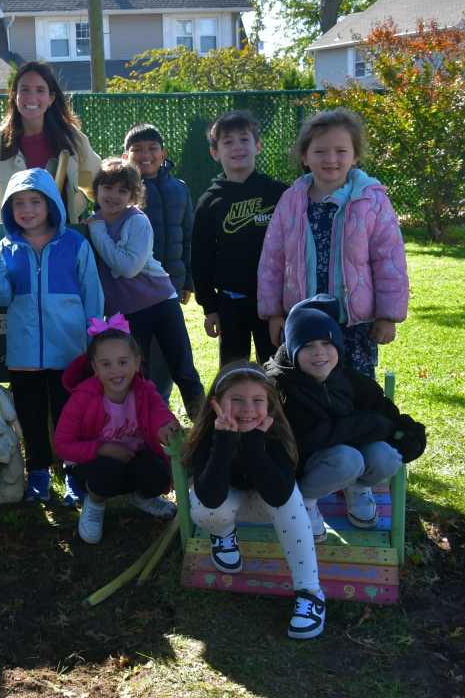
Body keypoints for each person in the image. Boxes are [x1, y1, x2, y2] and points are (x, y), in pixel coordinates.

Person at [0, 167, 104, 502]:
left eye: (35, 201)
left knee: (69, 415)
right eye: (19, 203)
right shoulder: (5, 248)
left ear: (51, 205)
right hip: (24, 354)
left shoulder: (75, 244)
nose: (27, 209)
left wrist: (95, 342)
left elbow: (92, 294)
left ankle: (74, 474)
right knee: (30, 416)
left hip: (70, 351)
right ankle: (38, 473)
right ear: (9, 208)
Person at [258, 108, 409, 377]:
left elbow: (389, 260)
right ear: (305, 156)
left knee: (356, 390)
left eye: (341, 151)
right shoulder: (291, 201)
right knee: (306, 389)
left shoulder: (371, 200)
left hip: (354, 325)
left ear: (355, 155)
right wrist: (274, 314)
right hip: (304, 323)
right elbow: (272, 260)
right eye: (320, 151)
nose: (331, 159)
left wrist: (388, 316)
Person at [182, 362, 325, 640]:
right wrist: (224, 442)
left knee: (291, 500)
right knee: (204, 508)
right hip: (223, 505)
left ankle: (310, 592)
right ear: (216, 403)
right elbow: (210, 497)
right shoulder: (208, 435)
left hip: (266, 504)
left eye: (257, 400)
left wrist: (253, 444)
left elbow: (278, 495)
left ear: (269, 404)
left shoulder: (276, 433)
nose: (248, 409)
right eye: (236, 400)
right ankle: (223, 535)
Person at [265, 296, 426, 540]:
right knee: (347, 459)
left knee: (387, 455)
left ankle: (358, 487)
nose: (319, 352)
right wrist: (368, 425)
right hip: (299, 469)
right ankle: (306, 500)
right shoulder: (279, 388)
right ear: (293, 349)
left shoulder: (349, 380)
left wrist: (407, 434)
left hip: (341, 459)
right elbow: (305, 439)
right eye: (307, 345)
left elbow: (387, 414)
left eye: (326, 343)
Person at [86, 159, 204, 418]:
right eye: (108, 187)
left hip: (160, 303)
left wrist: (98, 232)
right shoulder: (91, 224)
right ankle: (145, 429)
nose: (114, 196)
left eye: (123, 190)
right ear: (96, 190)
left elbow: (127, 267)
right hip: (125, 312)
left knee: (183, 369)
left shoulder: (136, 221)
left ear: (133, 195)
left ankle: (205, 428)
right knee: (137, 374)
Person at [54, 318, 179, 543]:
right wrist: (102, 448)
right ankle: (95, 503)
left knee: (160, 473)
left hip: (133, 454)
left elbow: (159, 412)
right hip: (95, 462)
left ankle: (143, 497)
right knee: (107, 473)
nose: (115, 371)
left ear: (137, 362)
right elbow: (62, 445)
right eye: (106, 364)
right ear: (95, 367)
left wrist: (166, 427)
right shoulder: (82, 397)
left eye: (122, 362)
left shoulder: (144, 389)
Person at [192, 110, 289, 366]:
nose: (237, 147)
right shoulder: (209, 202)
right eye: (228, 142)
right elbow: (200, 258)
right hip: (230, 302)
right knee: (234, 370)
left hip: (274, 304)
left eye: (244, 139)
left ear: (258, 146)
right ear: (215, 152)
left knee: (278, 368)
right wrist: (209, 307)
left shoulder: (279, 194)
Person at [0, 61, 101, 224]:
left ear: (51, 98)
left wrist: (102, 219)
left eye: (40, 90)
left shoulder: (72, 139)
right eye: (25, 90)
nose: (31, 97)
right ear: (14, 95)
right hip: (12, 238)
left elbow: (100, 186)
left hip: (63, 236)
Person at [123, 123, 195, 410]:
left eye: (152, 149)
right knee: (139, 353)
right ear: (126, 156)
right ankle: (142, 410)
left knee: (169, 353)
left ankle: (162, 405)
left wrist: (188, 280)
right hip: (135, 292)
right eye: (137, 150)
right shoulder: (121, 192)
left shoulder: (179, 190)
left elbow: (188, 236)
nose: (146, 155)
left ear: (163, 153)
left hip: (170, 288)